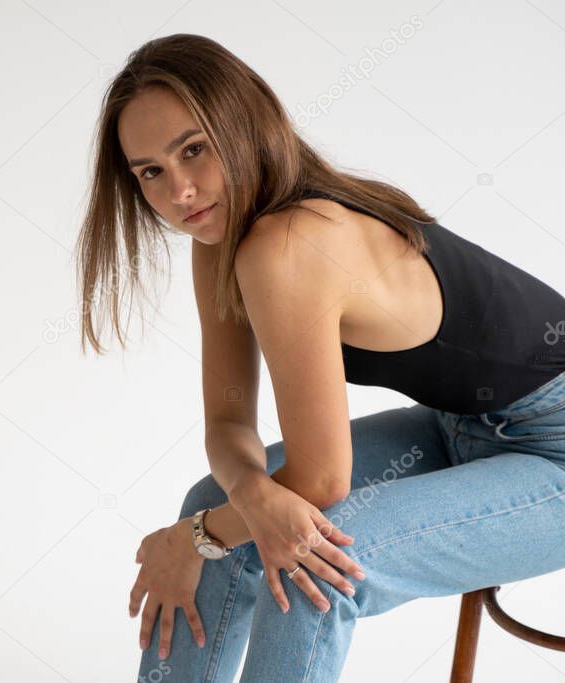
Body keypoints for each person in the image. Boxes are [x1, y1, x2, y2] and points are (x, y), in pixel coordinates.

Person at [72, 33, 565, 682]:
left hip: (550, 453)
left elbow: (322, 480)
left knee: (312, 562)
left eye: (193, 150)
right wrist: (230, 507)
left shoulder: (289, 243)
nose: (180, 191)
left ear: (243, 125)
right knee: (212, 501)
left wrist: (191, 537)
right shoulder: (223, 241)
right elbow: (227, 426)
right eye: (151, 172)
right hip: (459, 430)